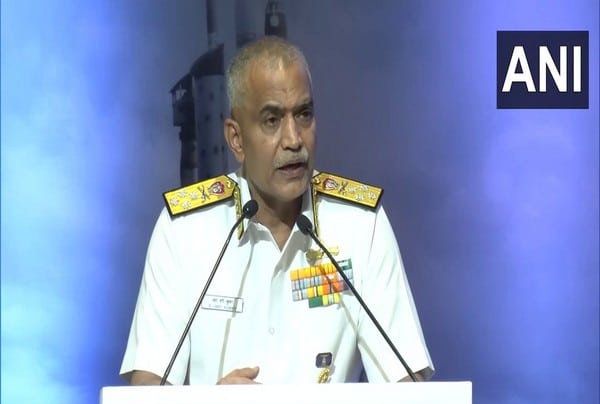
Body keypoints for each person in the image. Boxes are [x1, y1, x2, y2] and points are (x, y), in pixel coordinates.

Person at [120, 36, 433, 385]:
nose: (294, 139)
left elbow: (408, 389)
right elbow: (147, 392)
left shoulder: (361, 225)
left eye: (304, 115)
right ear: (236, 139)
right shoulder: (183, 230)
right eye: (272, 120)